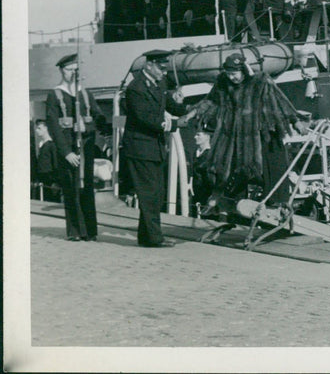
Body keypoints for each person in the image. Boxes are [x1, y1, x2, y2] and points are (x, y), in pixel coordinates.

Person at [186, 53, 297, 206]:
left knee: (271, 163)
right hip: (233, 136)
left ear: (243, 70)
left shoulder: (260, 81)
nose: (232, 78)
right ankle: (231, 202)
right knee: (231, 169)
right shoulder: (223, 83)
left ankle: (276, 202)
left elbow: (279, 100)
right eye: (229, 74)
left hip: (258, 134)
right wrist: (191, 113)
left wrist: (295, 121)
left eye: (235, 74)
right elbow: (210, 100)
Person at [122, 49, 188, 247]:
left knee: (155, 193)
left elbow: (171, 106)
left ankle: (146, 237)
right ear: (149, 65)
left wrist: (189, 108)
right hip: (140, 149)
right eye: (160, 67)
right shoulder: (136, 88)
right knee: (149, 194)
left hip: (154, 148)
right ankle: (154, 238)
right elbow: (146, 119)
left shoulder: (159, 84)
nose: (164, 72)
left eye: (165, 68)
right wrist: (175, 125)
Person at [45, 54, 107, 241]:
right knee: (71, 189)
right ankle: (75, 231)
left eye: (74, 70)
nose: (72, 74)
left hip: (85, 147)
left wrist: (86, 127)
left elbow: (99, 119)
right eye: (68, 70)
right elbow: (54, 127)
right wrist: (66, 152)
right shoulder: (55, 94)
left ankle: (90, 230)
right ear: (61, 70)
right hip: (68, 151)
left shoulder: (85, 94)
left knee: (87, 187)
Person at [190, 120, 215, 214]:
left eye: (198, 135)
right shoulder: (194, 154)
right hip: (194, 196)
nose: (195, 137)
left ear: (207, 136)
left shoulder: (211, 156)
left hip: (205, 197)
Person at [33, 119, 60, 200]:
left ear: (46, 128)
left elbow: (55, 163)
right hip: (42, 178)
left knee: (51, 199)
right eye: (36, 128)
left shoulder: (51, 145)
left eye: (39, 128)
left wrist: (56, 181)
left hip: (50, 178)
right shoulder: (41, 144)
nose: (37, 130)